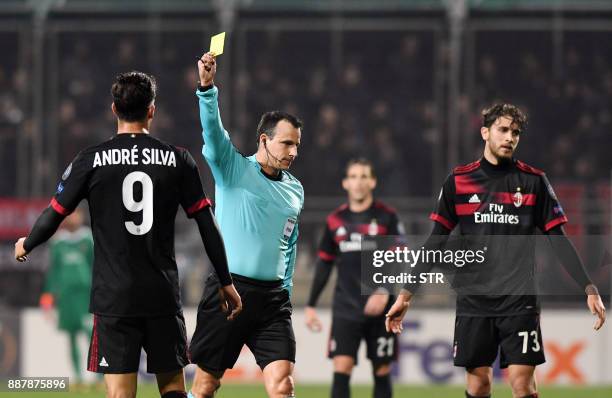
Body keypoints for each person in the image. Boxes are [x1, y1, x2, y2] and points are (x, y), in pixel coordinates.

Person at [14, 71, 241, 398]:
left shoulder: (90, 160)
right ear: (152, 110)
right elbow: (207, 223)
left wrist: (28, 243)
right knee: (174, 389)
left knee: (120, 394)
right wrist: (225, 281)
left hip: (114, 297)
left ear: (113, 109)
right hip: (161, 293)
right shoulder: (178, 159)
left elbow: (55, 214)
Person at [385, 103, 606, 398]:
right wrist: (406, 295)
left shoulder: (533, 182)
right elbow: (435, 241)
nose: (509, 137)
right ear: (485, 132)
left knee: (522, 383)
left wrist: (588, 286)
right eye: (503, 130)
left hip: (519, 300)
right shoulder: (459, 181)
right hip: (474, 301)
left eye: (515, 132)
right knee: (479, 385)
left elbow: (559, 238)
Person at [188, 52, 304, 398]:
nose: (293, 152)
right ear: (264, 140)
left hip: (273, 302)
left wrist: (287, 287)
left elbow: (290, 241)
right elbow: (213, 132)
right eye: (286, 143)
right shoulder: (233, 169)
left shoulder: (295, 189)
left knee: (283, 386)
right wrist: (207, 89)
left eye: (297, 144)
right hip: (229, 293)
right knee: (206, 386)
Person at [305, 158, 403, 398]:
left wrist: (382, 289)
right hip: (346, 308)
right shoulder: (335, 220)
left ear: (372, 182)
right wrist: (311, 305)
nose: (358, 182)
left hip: (382, 309)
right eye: (353, 177)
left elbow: (398, 257)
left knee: (382, 370)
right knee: (342, 368)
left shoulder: (387, 217)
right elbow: (324, 264)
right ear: (345, 183)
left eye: (363, 177)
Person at [40, 208, 95, 386]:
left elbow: (96, 267)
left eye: (76, 214)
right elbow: (53, 272)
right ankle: (78, 376)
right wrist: (48, 297)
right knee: (71, 336)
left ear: (81, 216)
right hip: (66, 297)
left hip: (85, 294)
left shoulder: (88, 239)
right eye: (70, 214)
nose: (73, 217)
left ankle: (100, 375)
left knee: (91, 335)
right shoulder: (57, 242)